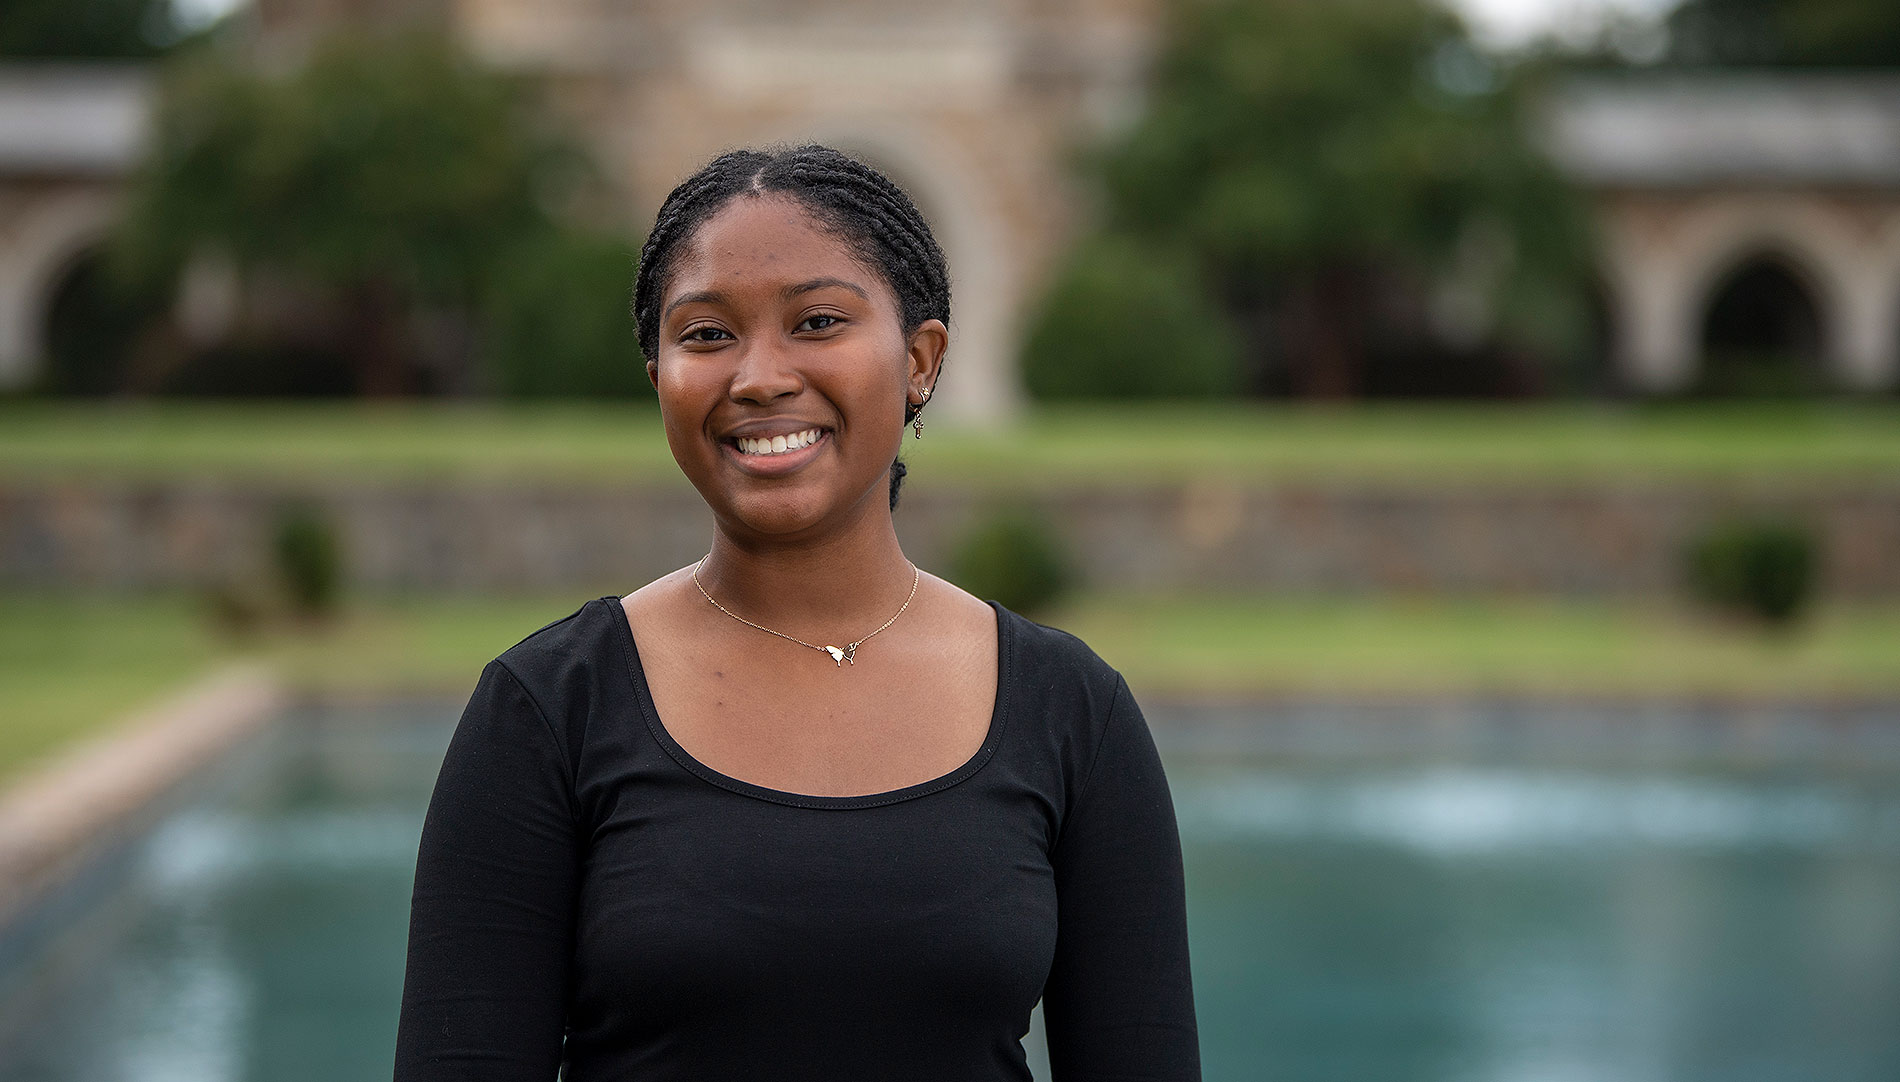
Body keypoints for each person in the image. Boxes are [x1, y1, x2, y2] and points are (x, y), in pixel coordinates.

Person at [392, 144, 1200, 1081]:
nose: (760, 376)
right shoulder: (544, 710)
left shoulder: (1073, 712)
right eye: (705, 334)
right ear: (658, 374)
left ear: (921, 361)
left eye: (818, 322)